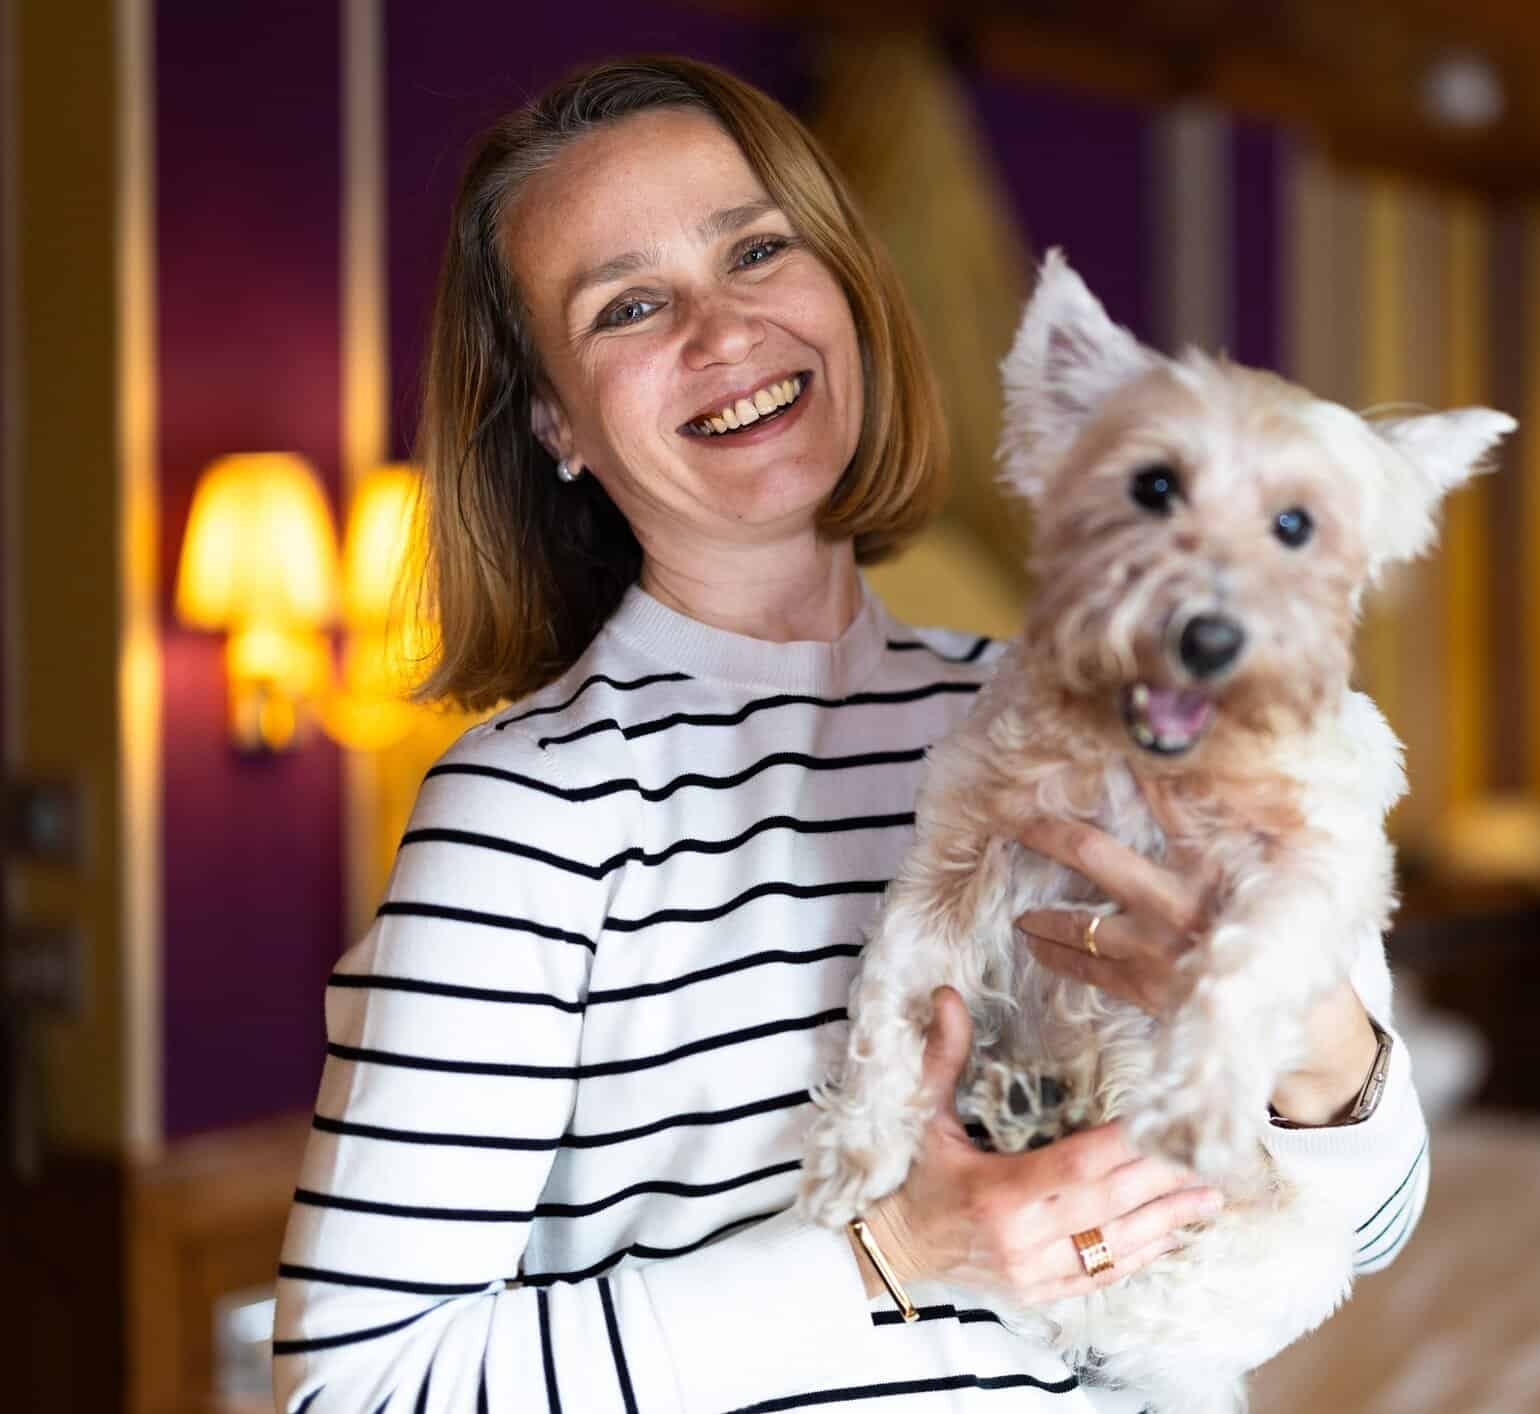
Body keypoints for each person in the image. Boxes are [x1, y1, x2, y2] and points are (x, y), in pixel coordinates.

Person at [273, 55, 1430, 1414]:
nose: (722, 328)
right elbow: (352, 1392)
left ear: (848, 294)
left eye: (758, 249)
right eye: (630, 305)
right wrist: (895, 1250)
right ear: (554, 422)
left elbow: (1359, 1228)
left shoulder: (1088, 713)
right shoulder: (527, 812)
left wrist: (1318, 1043)